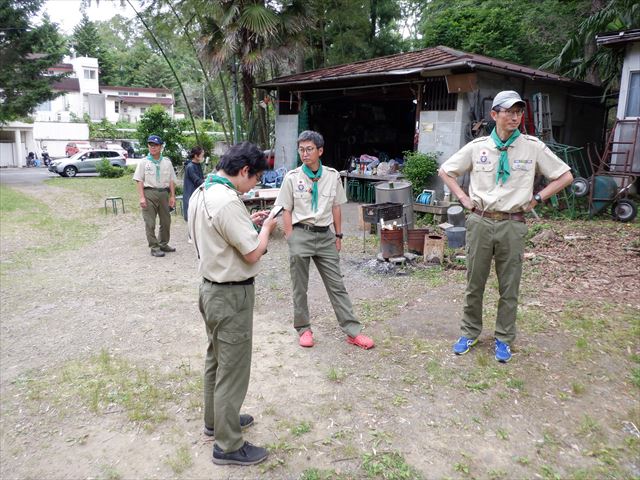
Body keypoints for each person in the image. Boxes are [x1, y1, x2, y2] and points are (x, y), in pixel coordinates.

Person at [438, 90, 573, 363]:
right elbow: (446, 171)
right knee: (474, 283)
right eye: (509, 111)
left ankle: (503, 338)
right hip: (480, 221)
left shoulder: (532, 146)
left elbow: (565, 176)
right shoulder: (478, 147)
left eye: (518, 111)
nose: (515, 116)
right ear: (494, 115)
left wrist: (537, 199)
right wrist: (463, 198)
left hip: (513, 224)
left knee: (509, 286)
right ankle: (469, 332)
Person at [188, 142, 277, 466]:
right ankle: (227, 446)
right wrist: (266, 228)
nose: (254, 186)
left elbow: (218, 233)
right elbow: (253, 252)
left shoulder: (204, 191)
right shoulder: (226, 201)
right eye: (254, 179)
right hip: (230, 295)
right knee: (233, 369)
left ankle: (217, 421)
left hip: (210, 290)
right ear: (243, 171)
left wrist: (248, 221)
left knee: (216, 360)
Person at [274, 130, 375, 350]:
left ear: (320, 151)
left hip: (325, 235)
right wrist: (290, 236)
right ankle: (304, 329)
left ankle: (352, 331)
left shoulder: (332, 176)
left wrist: (338, 235)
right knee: (300, 287)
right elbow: (286, 210)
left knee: (336, 284)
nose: (305, 153)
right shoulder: (292, 178)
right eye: (301, 149)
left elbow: (336, 206)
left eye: (309, 149)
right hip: (301, 233)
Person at [133, 134, 177, 257]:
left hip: (164, 193)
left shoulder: (167, 162)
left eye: (156, 145)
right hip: (149, 193)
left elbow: (171, 180)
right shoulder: (143, 162)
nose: (153, 147)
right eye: (150, 145)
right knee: (150, 223)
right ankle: (154, 247)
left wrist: (172, 196)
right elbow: (139, 180)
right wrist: (141, 197)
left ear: (161, 147)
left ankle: (163, 243)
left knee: (166, 221)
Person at [182, 146, 205, 221]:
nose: (203, 157)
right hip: (191, 197)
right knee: (193, 223)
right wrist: (210, 180)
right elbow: (198, 181)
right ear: (196, 156)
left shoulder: (197, 165)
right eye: (202, 155)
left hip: (196, 196)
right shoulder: (190, 167)